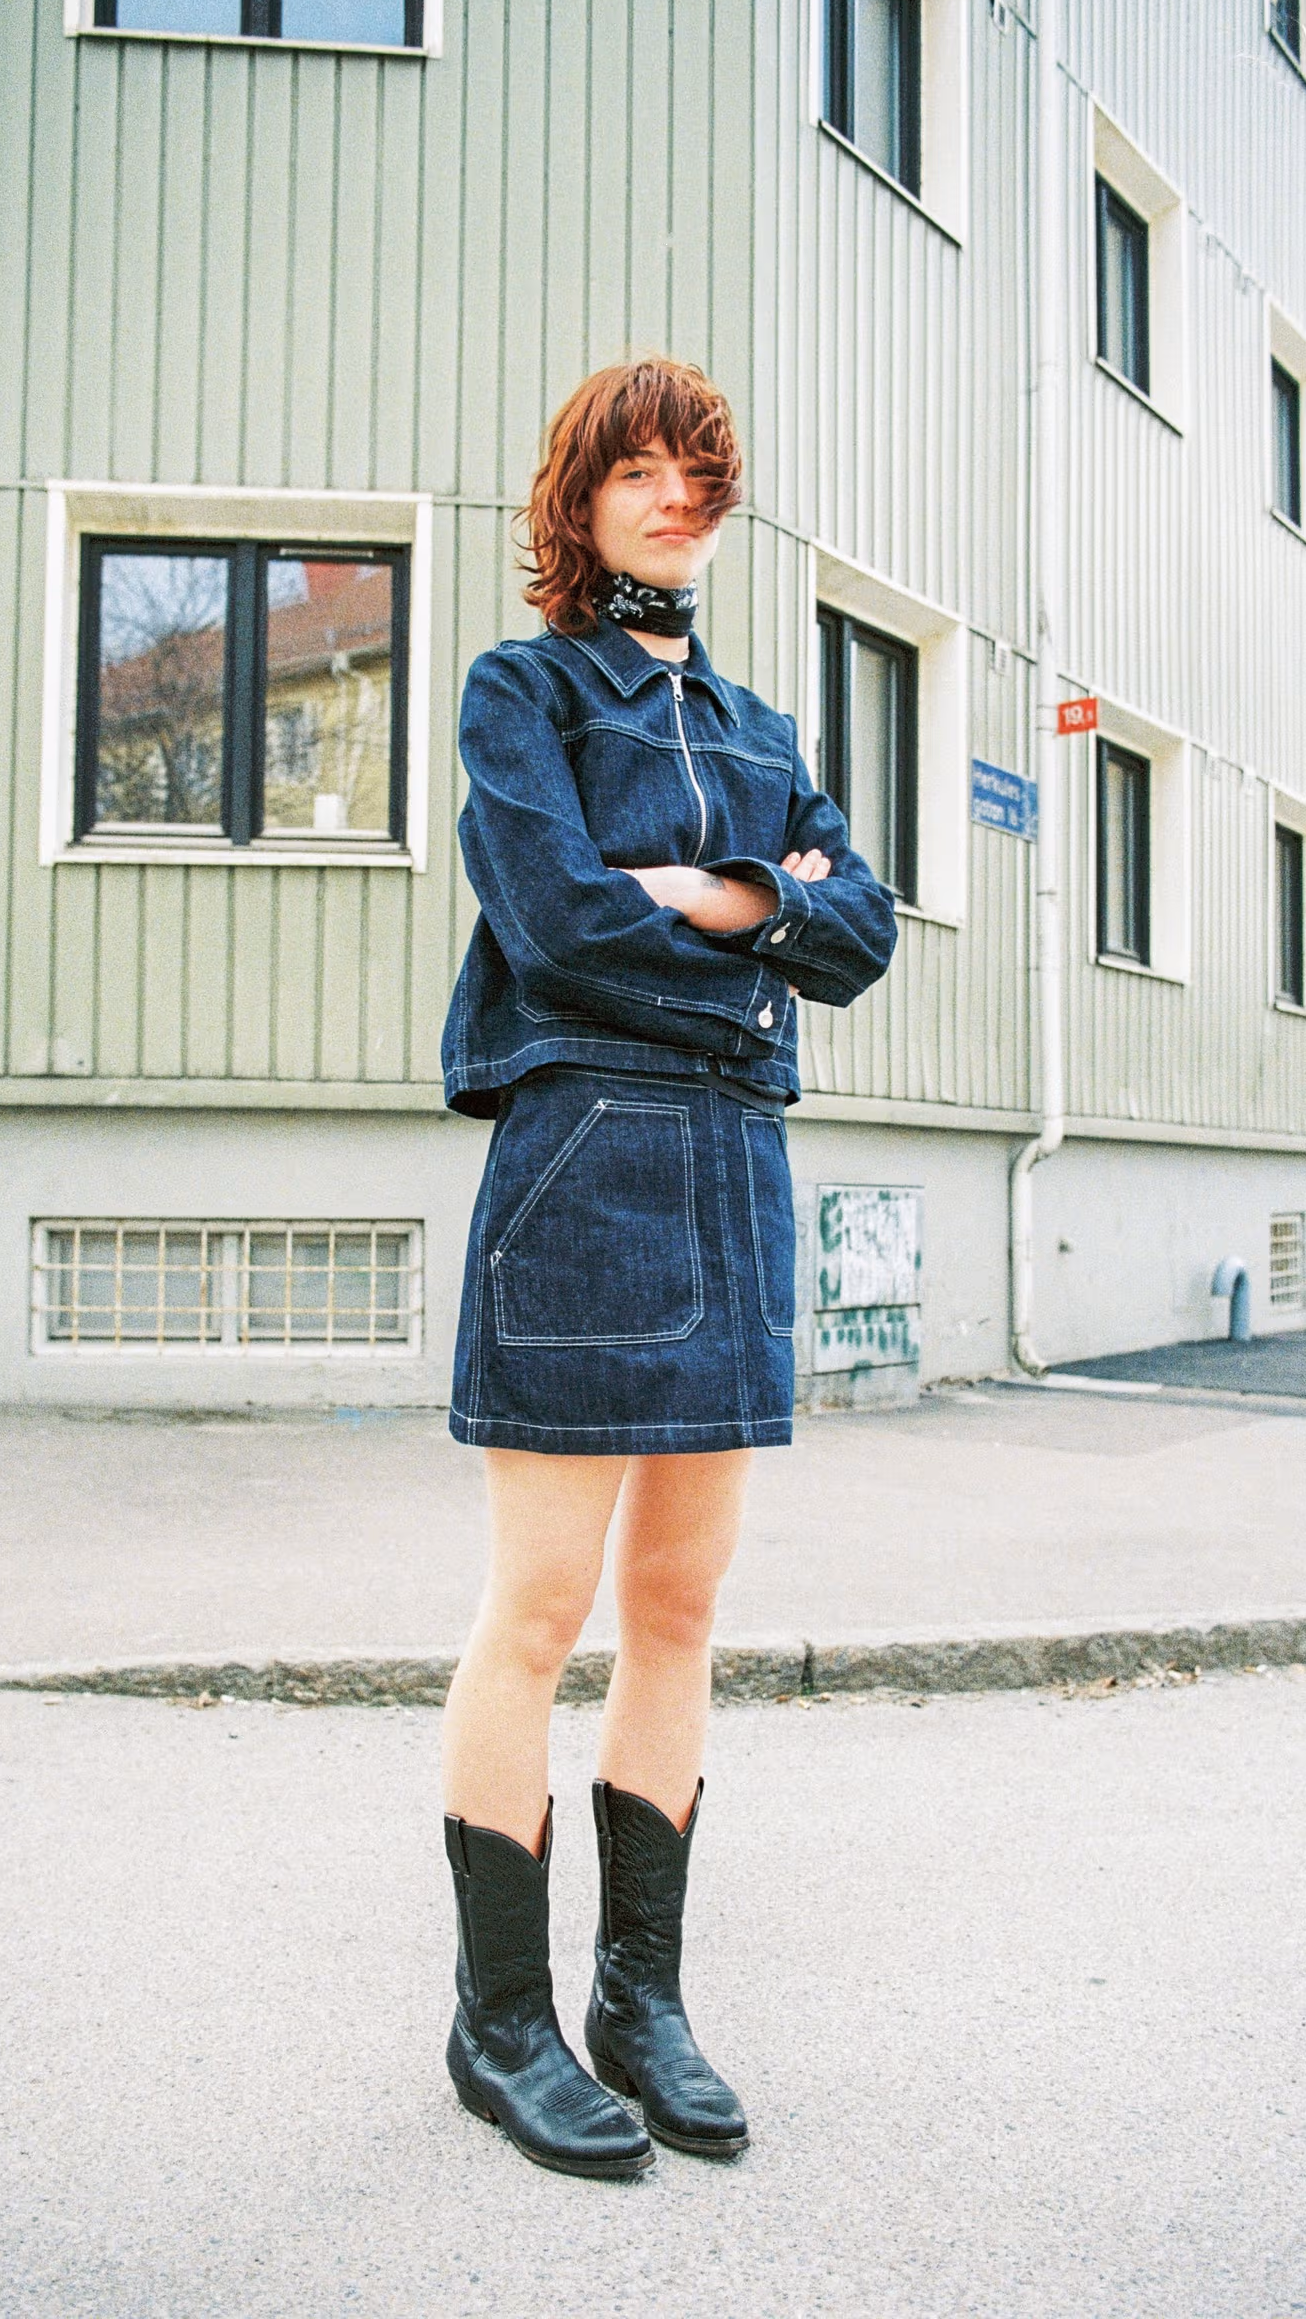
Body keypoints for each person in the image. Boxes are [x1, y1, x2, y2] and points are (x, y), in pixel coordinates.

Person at [437, 357, 898, 2179]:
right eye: (642, 471)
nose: (678, 497)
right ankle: (498, 2026)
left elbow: (859, 933)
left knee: (684, 1609)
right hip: (582, 1160)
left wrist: (721, 892)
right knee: (539, 1614)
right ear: (583, 497)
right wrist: (750, 916)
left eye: (701, 475)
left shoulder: (769, 727)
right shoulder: (521, 689)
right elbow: (549, 921)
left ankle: (642, 2001)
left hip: (730, 1167)